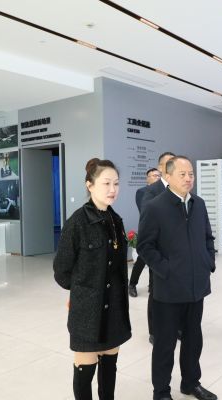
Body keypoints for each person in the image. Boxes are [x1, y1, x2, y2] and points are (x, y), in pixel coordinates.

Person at [138, 156, 217, 400]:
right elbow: (145, 246)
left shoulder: (198, 204)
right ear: (168, 176)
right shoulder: (155, 207)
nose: (188, 178)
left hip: (196, 286)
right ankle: (161, 392)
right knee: (165, 344)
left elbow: (207, 237)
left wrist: (208, 263)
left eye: (191, 174)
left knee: (194, 339)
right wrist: (166, 270)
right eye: (182, 174)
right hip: (169, 290)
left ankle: (191, 383)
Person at [54, 158, 131, 400]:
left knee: (109, 368)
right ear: (90, 185)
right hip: (88, 312)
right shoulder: (77, 222)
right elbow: (61, 271)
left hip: (114, 308)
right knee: (85, 371)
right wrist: (83, 292)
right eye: (106, 183)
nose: (112, 189)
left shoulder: (116, 220)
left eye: (116, 183)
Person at [137, 152, 175, 345]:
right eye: (168, 163)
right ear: (160, 168)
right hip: (159, 254)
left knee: (177, 292)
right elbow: (147, 221)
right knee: (156, 293)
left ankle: (176, 327)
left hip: (179, 255)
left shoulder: (181, 190)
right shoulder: (151, 191)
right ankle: (154, 330)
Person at [128, 167, 162, 298]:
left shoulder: (164, 191)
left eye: (158, 175)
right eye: (154, 175)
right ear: (147, 179)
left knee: (156, 257)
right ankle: (132, 284)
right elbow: (144, 210)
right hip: (147, 230)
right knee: (142, 259)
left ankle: (152, 285)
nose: (157, 177)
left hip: (161, 231)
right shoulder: (142, 192)